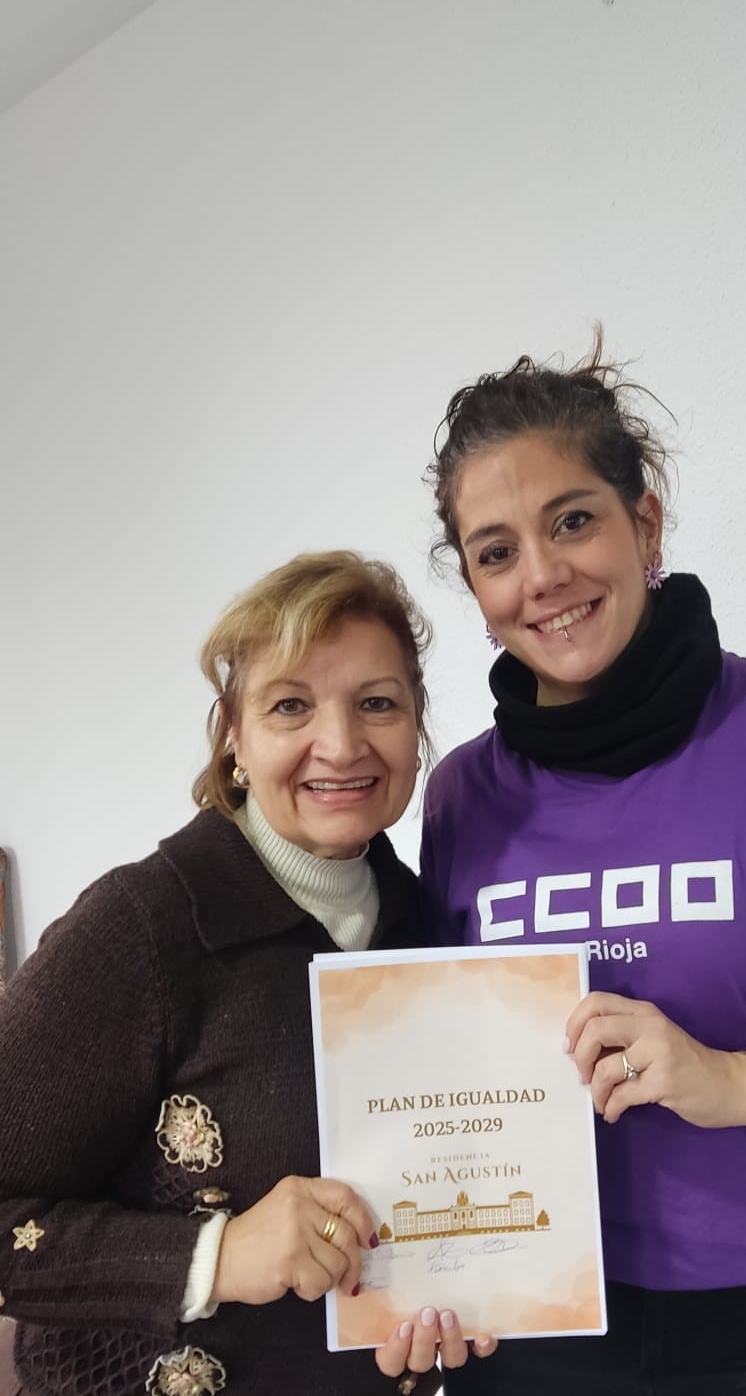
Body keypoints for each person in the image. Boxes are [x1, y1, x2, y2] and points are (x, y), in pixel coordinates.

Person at [418, 337, 746, 1395]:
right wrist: (415, 1276)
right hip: (542, 1330)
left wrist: (736, 1079)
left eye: (572, 520)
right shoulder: (459, 797)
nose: (542, 576)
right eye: (496, 551)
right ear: (476, 588)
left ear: (645, 523)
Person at [0, 551, 493, 1396]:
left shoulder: (430, 928)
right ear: (233, 733)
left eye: (377, 702)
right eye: (290, 704)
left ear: (416, 726)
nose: (340, 744)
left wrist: (455, 1297)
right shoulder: (142, 926)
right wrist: (216, 1255)